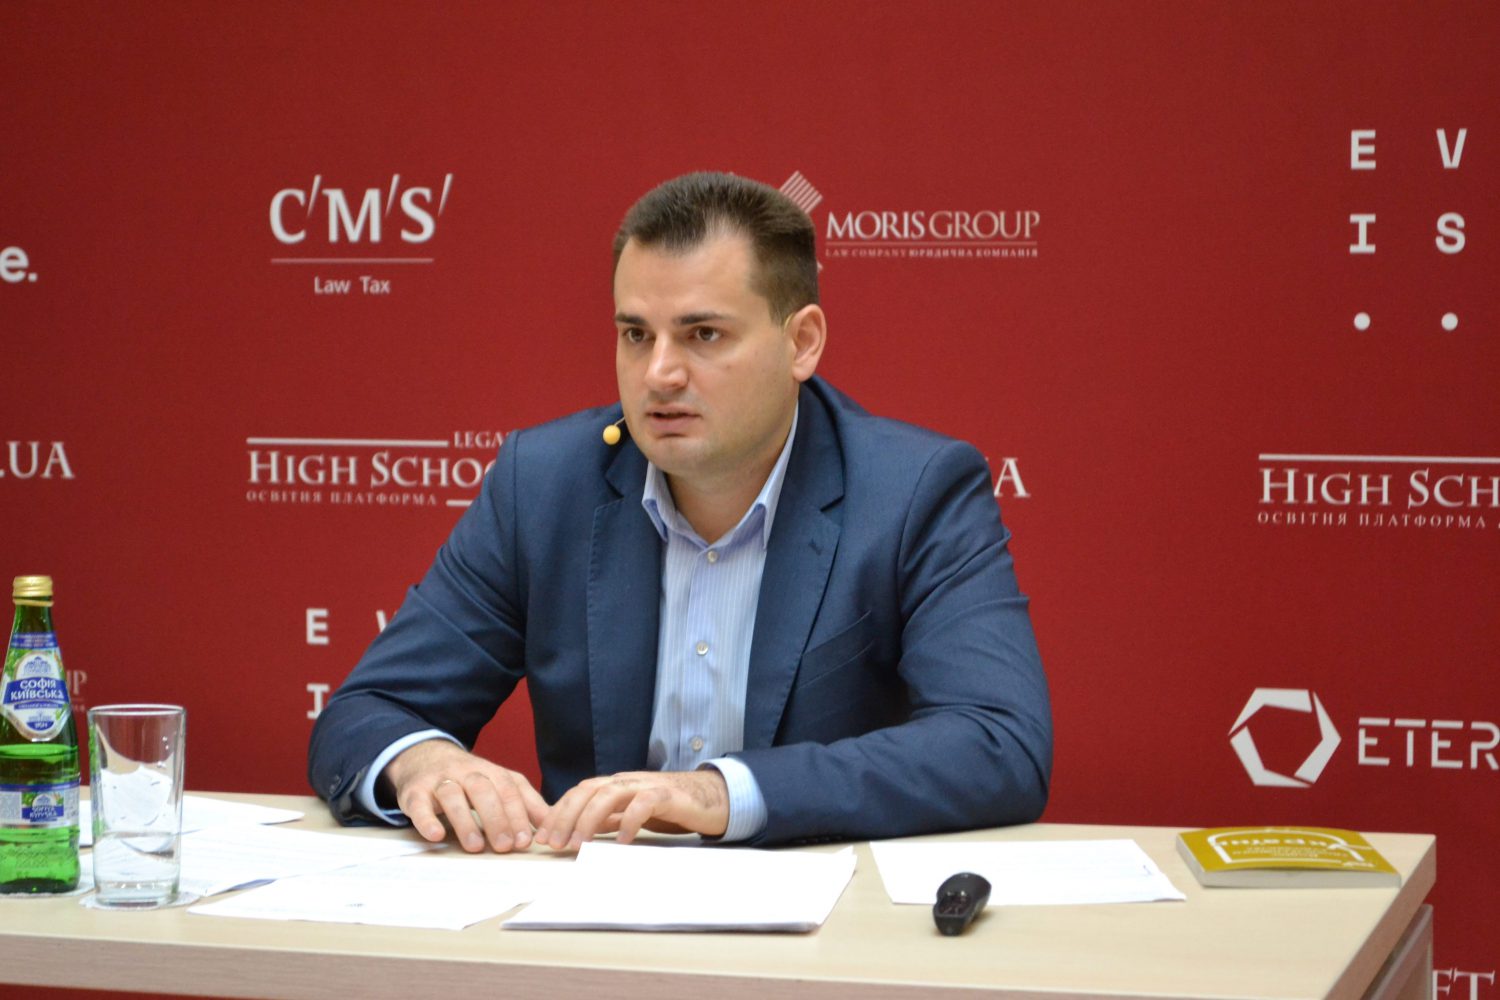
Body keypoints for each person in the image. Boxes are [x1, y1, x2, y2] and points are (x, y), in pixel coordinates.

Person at [308, 171, 1051, 851]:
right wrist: (423, 760)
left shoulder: (914, 491)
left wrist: (722, 794)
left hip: (821, 914)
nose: (659, 373)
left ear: (801, 342)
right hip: (587, 920)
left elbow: (998, 743)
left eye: (703, 335)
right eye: (636, 335)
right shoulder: (545, 484)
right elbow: (368, 708)